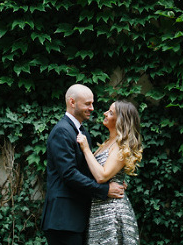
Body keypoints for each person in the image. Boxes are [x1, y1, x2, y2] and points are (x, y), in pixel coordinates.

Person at [42, 84, 126, 245]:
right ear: (72, 102)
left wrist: (113, 181)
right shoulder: (62, 131)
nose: (92, 108)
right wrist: (105, 190)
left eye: (92, 103)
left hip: (76, 218)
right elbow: (69, 174)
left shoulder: (81, 132)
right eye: (87, 104)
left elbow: (86, 171)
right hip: (63, 219)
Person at [76, 100, 143, 245]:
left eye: (111, 112)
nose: (105, 113)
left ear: (121, 120)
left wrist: (86, 150)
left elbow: (102, 176)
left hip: (112, 211)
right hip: (99, 208)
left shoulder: (121, 145)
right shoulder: (107, 143)